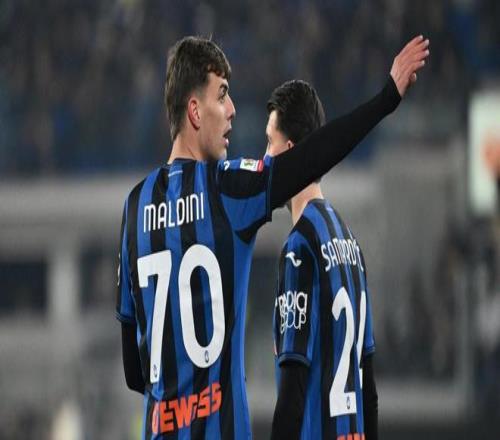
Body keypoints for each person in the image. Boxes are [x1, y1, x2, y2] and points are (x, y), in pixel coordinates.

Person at [115, 35, 429, 439]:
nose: (232, 110)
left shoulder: (134, 206)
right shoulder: (227, 189)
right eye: (222, 95)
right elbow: (311, 157)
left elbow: (133, 370)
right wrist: (386, 98)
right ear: (194, 111)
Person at [265, 80, 377, 440]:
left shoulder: (299, 247)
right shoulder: (350, 242)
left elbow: (293, 390)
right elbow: (368, 389)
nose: (265, 158)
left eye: (270, 142)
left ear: (291, 153)